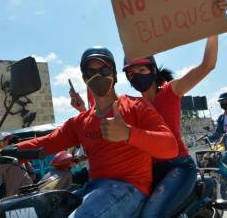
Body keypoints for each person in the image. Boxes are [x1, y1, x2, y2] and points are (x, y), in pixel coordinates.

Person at [18, 47, 178, 218]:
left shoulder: (137, 107)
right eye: (90, 71)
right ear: (84, 78)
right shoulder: (81, 122)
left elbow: (170, 147)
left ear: (114, 74)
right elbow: (44, 143)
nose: (97, 75)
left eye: (104, 70)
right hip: (93, 188)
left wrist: (128, 133)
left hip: (130, 188)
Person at [117, 0, 227, 218]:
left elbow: (208, 65)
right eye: (131, 73)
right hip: (147, 173)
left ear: (153, 71)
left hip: (178, 167)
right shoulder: (129, 105)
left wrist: (214, 24)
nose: (136, 75)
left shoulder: (171, 91)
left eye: (141, 70)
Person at [0, 132, 35, 198]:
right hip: (29, 190)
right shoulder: (19, 155)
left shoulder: (4, 160)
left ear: (8, 142)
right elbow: (33, 175)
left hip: (17, 196)